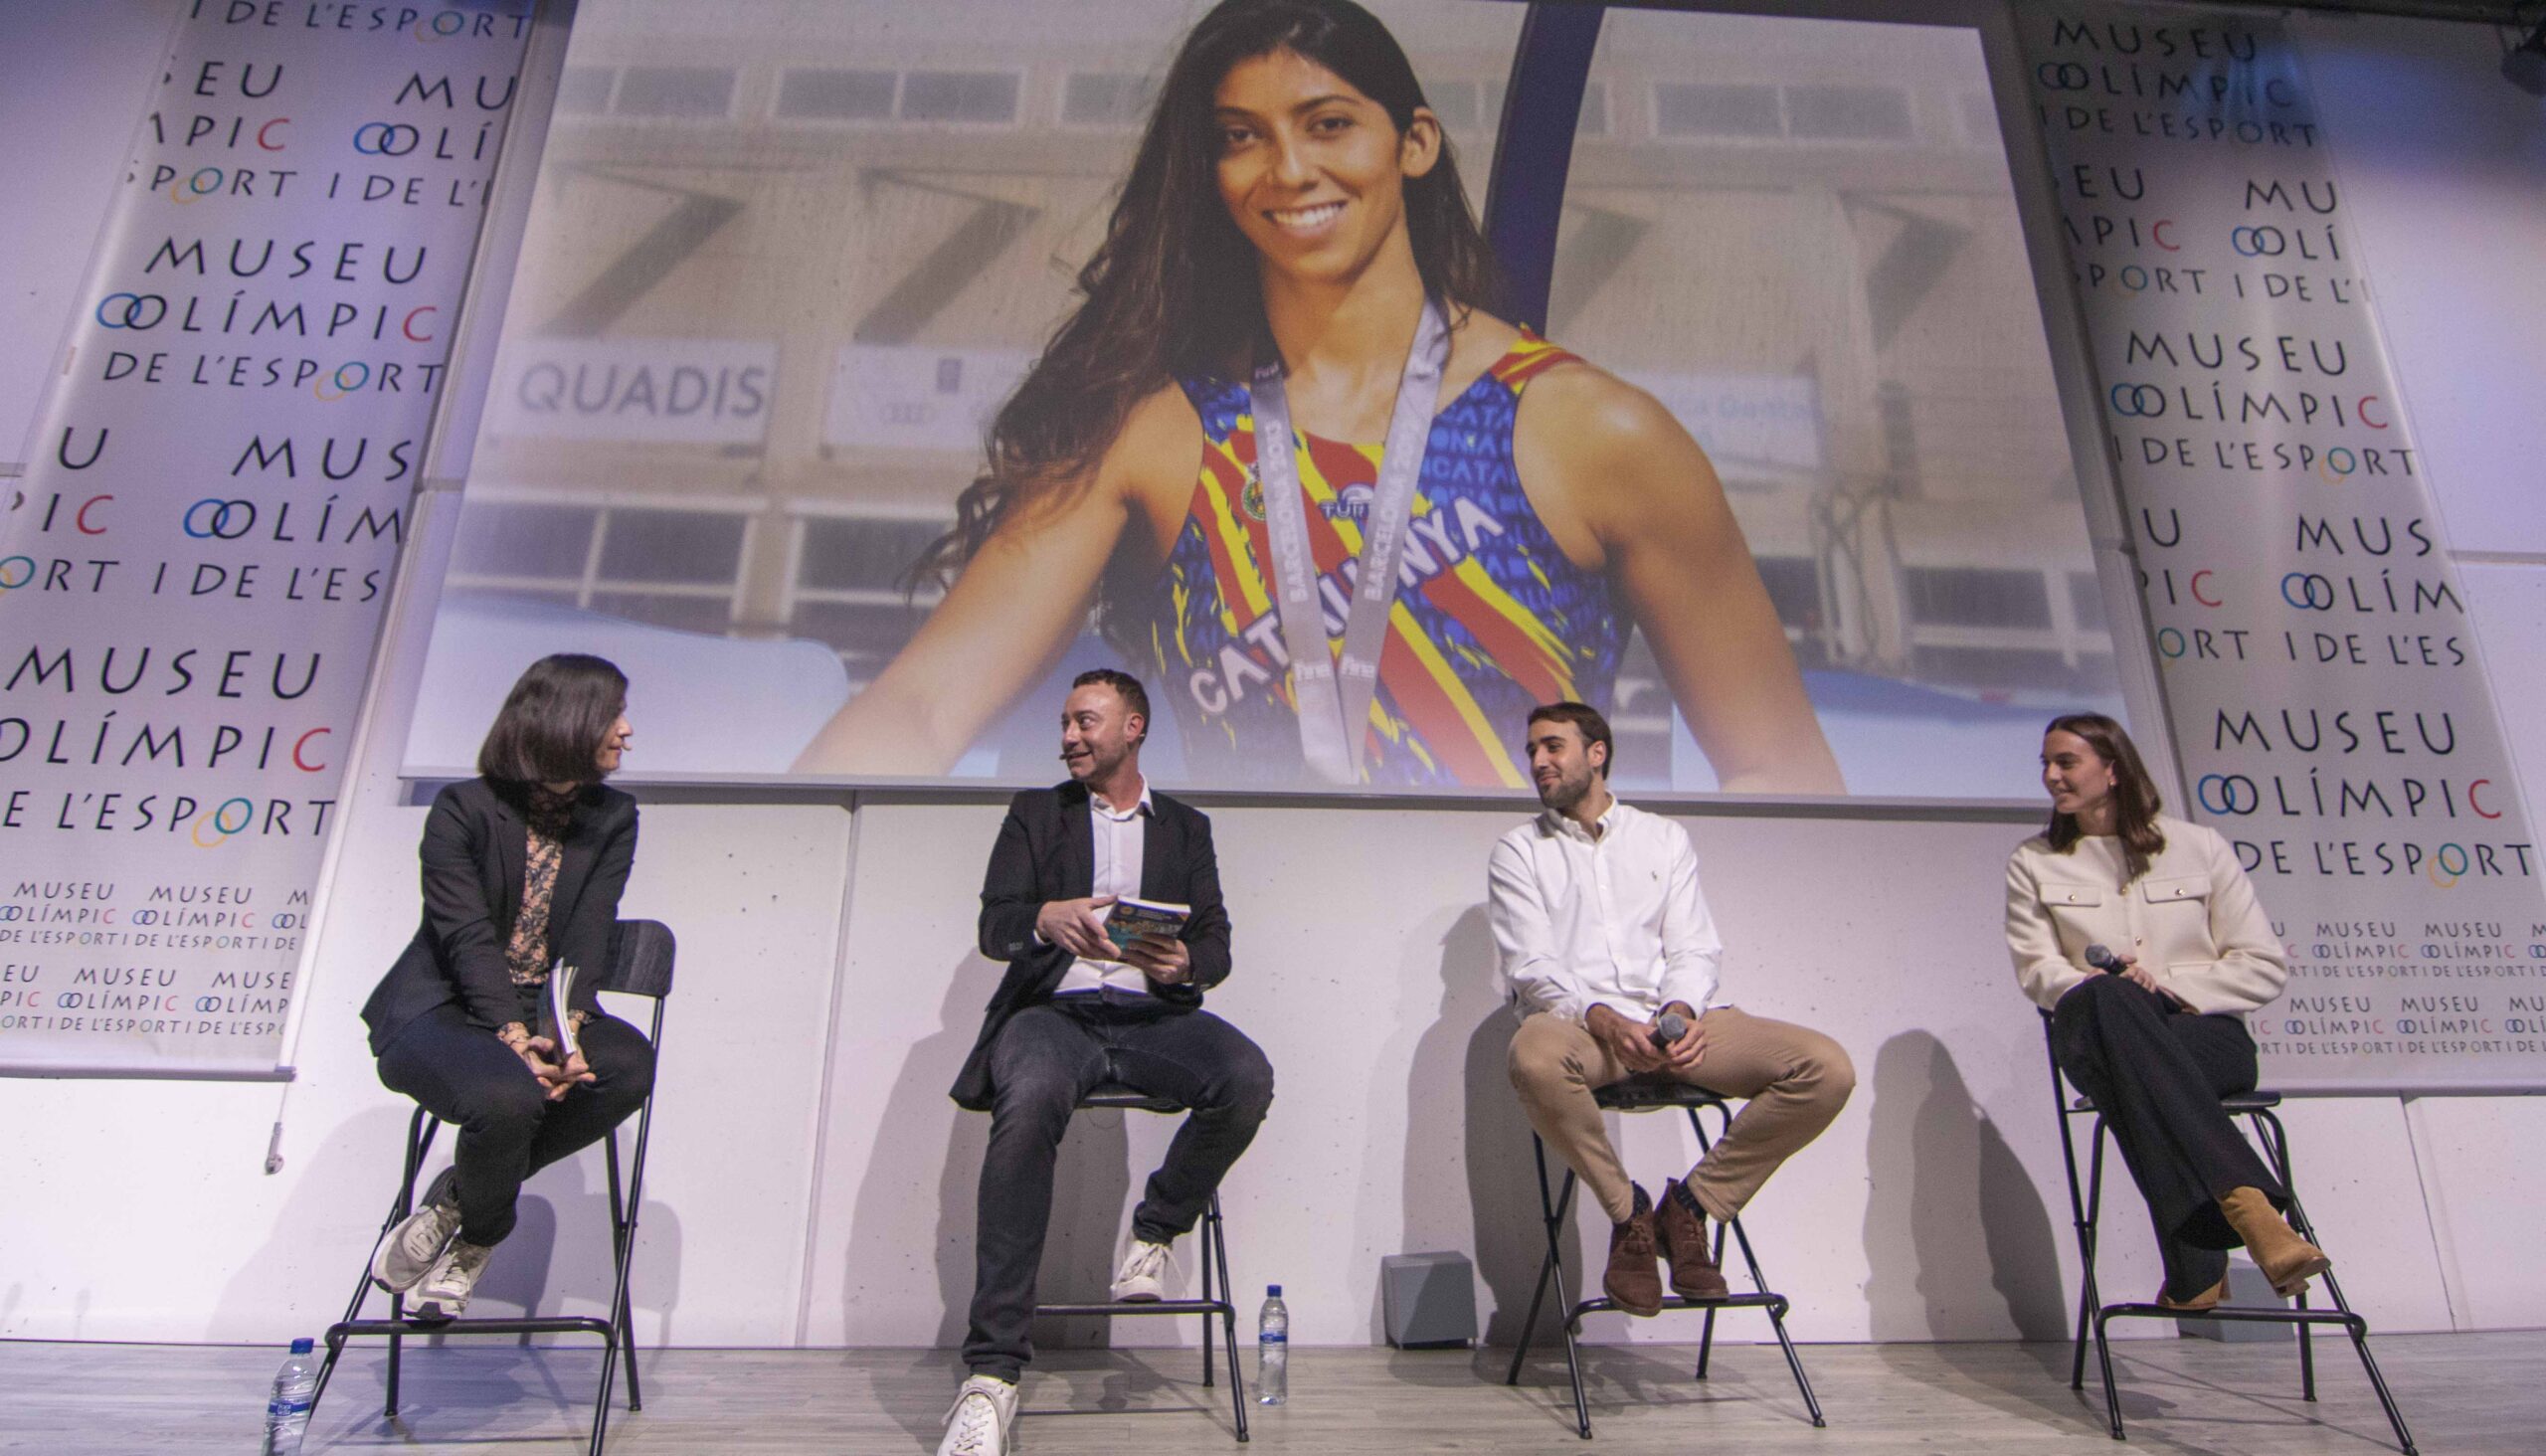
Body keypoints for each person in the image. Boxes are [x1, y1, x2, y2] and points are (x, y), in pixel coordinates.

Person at [797, 0, 1841, 795]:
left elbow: (1779, 770)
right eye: (1239, 136)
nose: (1287, 169)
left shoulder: (1590, 431)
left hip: (1527, 964)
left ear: (1412, 145)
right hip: (1245, 967)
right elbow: (924, 710)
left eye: (1328, 123)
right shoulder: (1155, 431)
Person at [938, 668, 1275, 1456]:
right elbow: (996, 926)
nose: (1069, 737)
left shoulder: (1185, 828)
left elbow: (1218, 943)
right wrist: (1045, 919)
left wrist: (1181, 962)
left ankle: (1156, 1229)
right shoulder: (1034, 813)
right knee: (1029, 1101)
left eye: (1085, 721)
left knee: (1246, 1076)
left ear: (1134, 728)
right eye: (1063, 723)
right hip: (1052, 1015)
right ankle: (990, 1376)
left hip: (1152, 1014)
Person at [1491, 701, 1854, 1316]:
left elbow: (1693, 946)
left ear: (1596, 753)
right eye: (1532, 751)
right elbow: (1532, 967)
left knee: (1825, 1069)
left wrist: (1678, 1015)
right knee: (1532, 1055)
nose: (1538, 762)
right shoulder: (1520, 849)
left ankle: (1691, 1207)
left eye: (1553, 747)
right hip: (1588, 1030)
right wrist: (1605, 1018)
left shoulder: (1662, 837)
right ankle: (1629, 1214)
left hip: (1673, 1026)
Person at [358, 653, 653, 1323]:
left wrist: (566, 1029)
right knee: (506, 1097)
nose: (627, 730)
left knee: (629, 1066)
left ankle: (458, 1201)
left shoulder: (613, 816)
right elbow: (465, 939)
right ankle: (482, 1236)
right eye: (613, 714)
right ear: (565, 720)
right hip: (443, 1008)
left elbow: (588, 933)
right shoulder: (462, 810)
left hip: (542, 1006)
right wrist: (515, 1037)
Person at [2006, 712, 2329, 1309]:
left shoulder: (2198, 846)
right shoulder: (2035, 860)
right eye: (2045, 765)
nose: (2051, 776)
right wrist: (2114, 988)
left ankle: (2197, 1266)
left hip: (2204, 1039)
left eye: (2066, 762)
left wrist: (2171, 990)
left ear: (2113, 768)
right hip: (2097, 1028)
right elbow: (2037, 969)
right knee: (2108, 998)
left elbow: (2263, 964)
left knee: (2134, 1071)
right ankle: (2254, 1214)